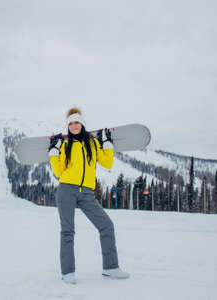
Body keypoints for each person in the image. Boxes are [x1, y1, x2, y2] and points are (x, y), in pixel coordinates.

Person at [48, 107, 130, 284]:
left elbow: (107, 162)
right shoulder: (65, 144)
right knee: (68, 231)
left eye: (77, 122)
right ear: (68, 127)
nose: (74, 125)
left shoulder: (92, 143)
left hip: (87, 192)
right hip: (66, 189)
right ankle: (68, 273)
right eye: (70, 123)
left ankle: (111, 268)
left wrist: (106, 142)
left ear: (82, 124)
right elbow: (58, 171)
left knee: (106, 225)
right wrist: (54, 151)